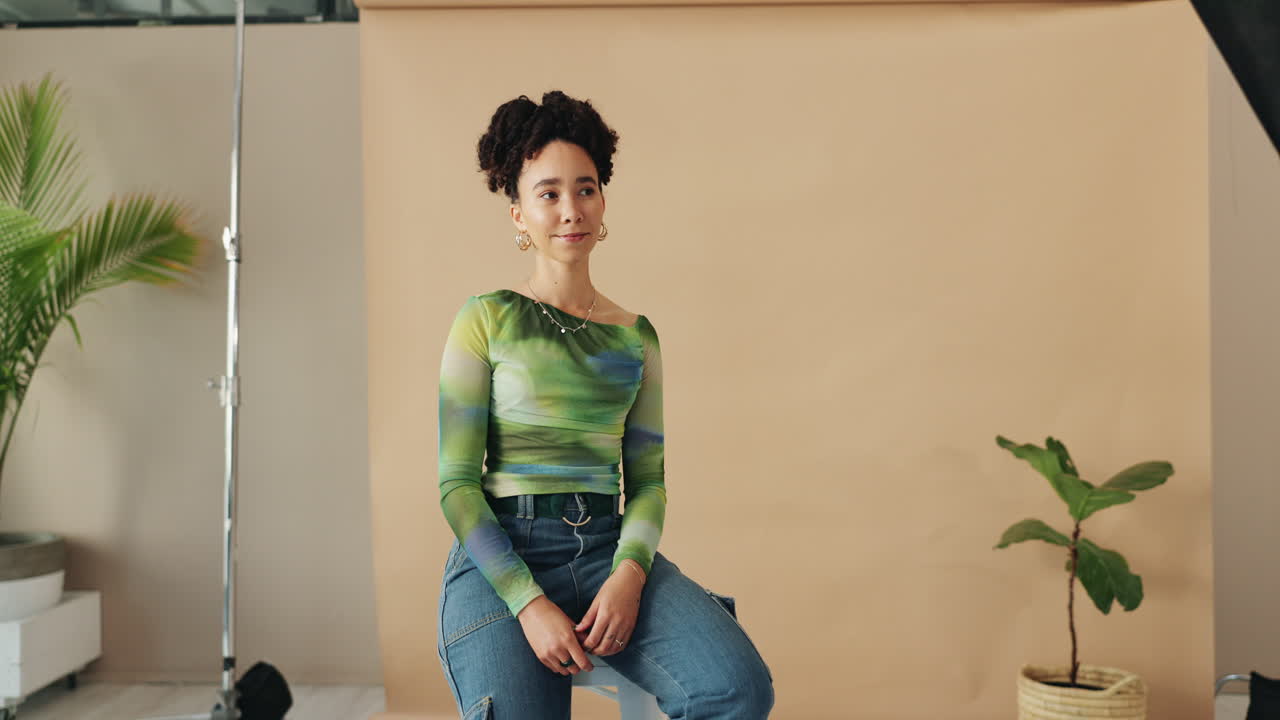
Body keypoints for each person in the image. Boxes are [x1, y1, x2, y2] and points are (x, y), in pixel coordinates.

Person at [434, 91, 774, 720]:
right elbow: (456, 484)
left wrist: (630, 575)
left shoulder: (636, 338)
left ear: (603, 201)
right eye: (549, 193)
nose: (571, 209)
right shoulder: (485, 319)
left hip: (607, 550)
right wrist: (527, 602)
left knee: (739, 688)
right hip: (502, 555)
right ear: (518, 215)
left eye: (585, 189)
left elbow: (648, 483)